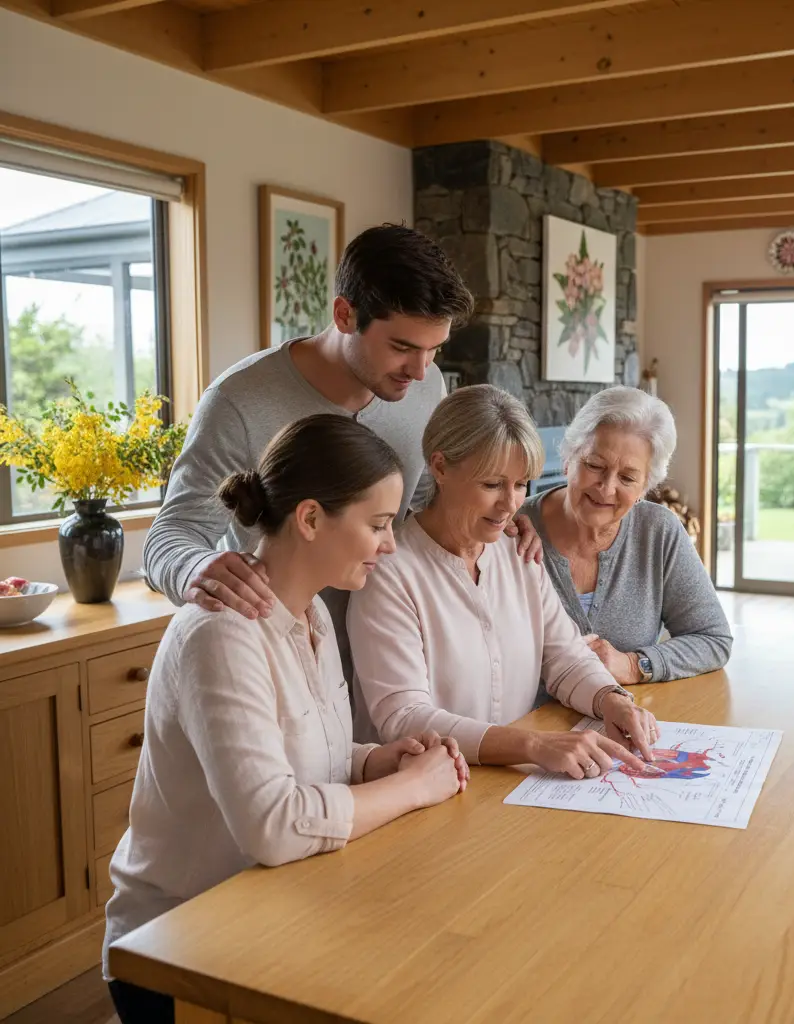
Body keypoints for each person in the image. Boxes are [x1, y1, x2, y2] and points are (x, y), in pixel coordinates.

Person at [104, 415, 468, 1024]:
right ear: (309, 518)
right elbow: (272, 824)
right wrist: (408, 788)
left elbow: (305, 754)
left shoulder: (312, 616)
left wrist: (377, 758)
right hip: (180, 948)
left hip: (275, 907)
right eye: (378, 524)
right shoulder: (221, 635)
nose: (391, 543)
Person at [143, 224, 540, 677]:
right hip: (275, 656)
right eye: (402, 347)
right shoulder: (239, 401)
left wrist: (494, 513)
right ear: (345, 315)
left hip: (392, 652)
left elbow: (427, 510)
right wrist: (198, 567)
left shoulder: (428, 386)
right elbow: (169, 536)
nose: (420, 369)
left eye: (435, 349)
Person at [348, 385, 662, 779]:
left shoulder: (520, 550)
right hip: (416, 793)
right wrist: (533, 745)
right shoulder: (389, 572)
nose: (510, 503)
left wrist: (611, 699)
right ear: (440, 467)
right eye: (492, 484)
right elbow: (403, 716)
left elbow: (564, 656)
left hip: (505, 786)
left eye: (520, 484)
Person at [519, 387, 732, 686]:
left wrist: (634, 665)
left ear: (645, 486)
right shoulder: (513, 527)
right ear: (568, 458)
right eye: (594, 465)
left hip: (625, 721)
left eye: (628, 478)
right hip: (528, 726)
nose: (606, 488)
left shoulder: (658, 532)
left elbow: (713, 639)